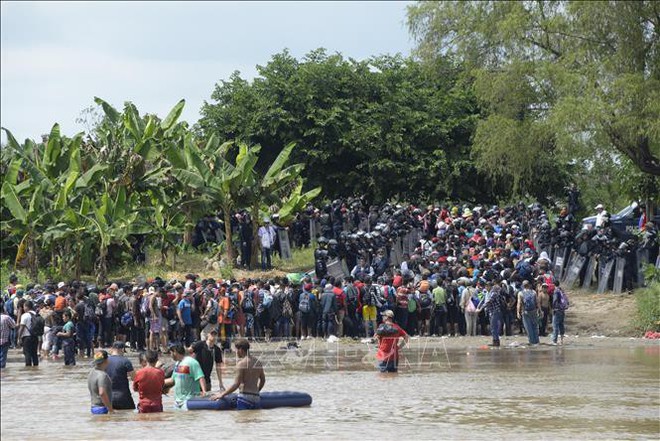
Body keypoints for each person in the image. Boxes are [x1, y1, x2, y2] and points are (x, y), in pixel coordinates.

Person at [211, 338, 265, 410]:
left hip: (244, 398)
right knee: (254, 419)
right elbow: (263, 380)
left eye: (236, 349)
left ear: (241, 350)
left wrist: (222, 394)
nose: (235, 352)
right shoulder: (258, 362)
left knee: (241, 420)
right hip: (256, 397)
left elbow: (236, 384)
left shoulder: (241, 364)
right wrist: (257, 390)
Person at [164, 344, 207, 409]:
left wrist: (204, 392)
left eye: (171, 353)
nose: (170, 355)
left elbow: (200, 377)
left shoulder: (192, 362)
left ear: (175, 352)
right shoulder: (177, 364)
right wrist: (158, 383)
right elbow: (173, 380)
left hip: (189, 401)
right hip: (177, 402)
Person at [106, 341, 136, 410]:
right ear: (122, 349)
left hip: (108, 397)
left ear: (112, 349)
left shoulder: (105, 361)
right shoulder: (126, 361)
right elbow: (134, 378)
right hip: (123, 397)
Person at [88, 350, 114, 414]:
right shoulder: (102, 375)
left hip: (94, 407)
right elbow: (102, 393)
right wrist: (110, 409)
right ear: (106, 360)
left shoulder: (91, 373)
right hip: (102, 408)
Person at [517, 280, 540, 345]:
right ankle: (537, 341)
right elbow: (537, 302)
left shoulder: (520, 293)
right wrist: (540, 310)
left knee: (528, 327)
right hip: (534, 311)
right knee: (535, 327)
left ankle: (532, 342)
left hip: (525, 312)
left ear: (523, 285)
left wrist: (518, 312)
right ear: (529, 285)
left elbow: (519, 303)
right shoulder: (533, 292)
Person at [18, 300, 39, 366]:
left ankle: (28, 370)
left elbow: (21, 328)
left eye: (24, 306)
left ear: (26, 307)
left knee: (27, 354)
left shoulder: (25, 315)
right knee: (34, 354)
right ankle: (36, 369)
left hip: (27, 337)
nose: (23, 308)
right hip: (35, 337)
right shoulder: (36, 314)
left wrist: (18, 338)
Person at [551, 281, 569, 345]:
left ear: (554, 285)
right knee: (561, 324)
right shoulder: (561, 290)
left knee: (555, 325)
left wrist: (552, 307)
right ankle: (562, 340)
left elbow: (555, 300)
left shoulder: (556, 291)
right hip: (562, 310)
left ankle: (554, 341)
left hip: (557, 310)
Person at [0, 303, 17, 369]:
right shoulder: (6, 318)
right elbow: (14, 326)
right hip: (4, 340)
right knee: (2, 358)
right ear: (3, 309)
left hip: (4, 341)